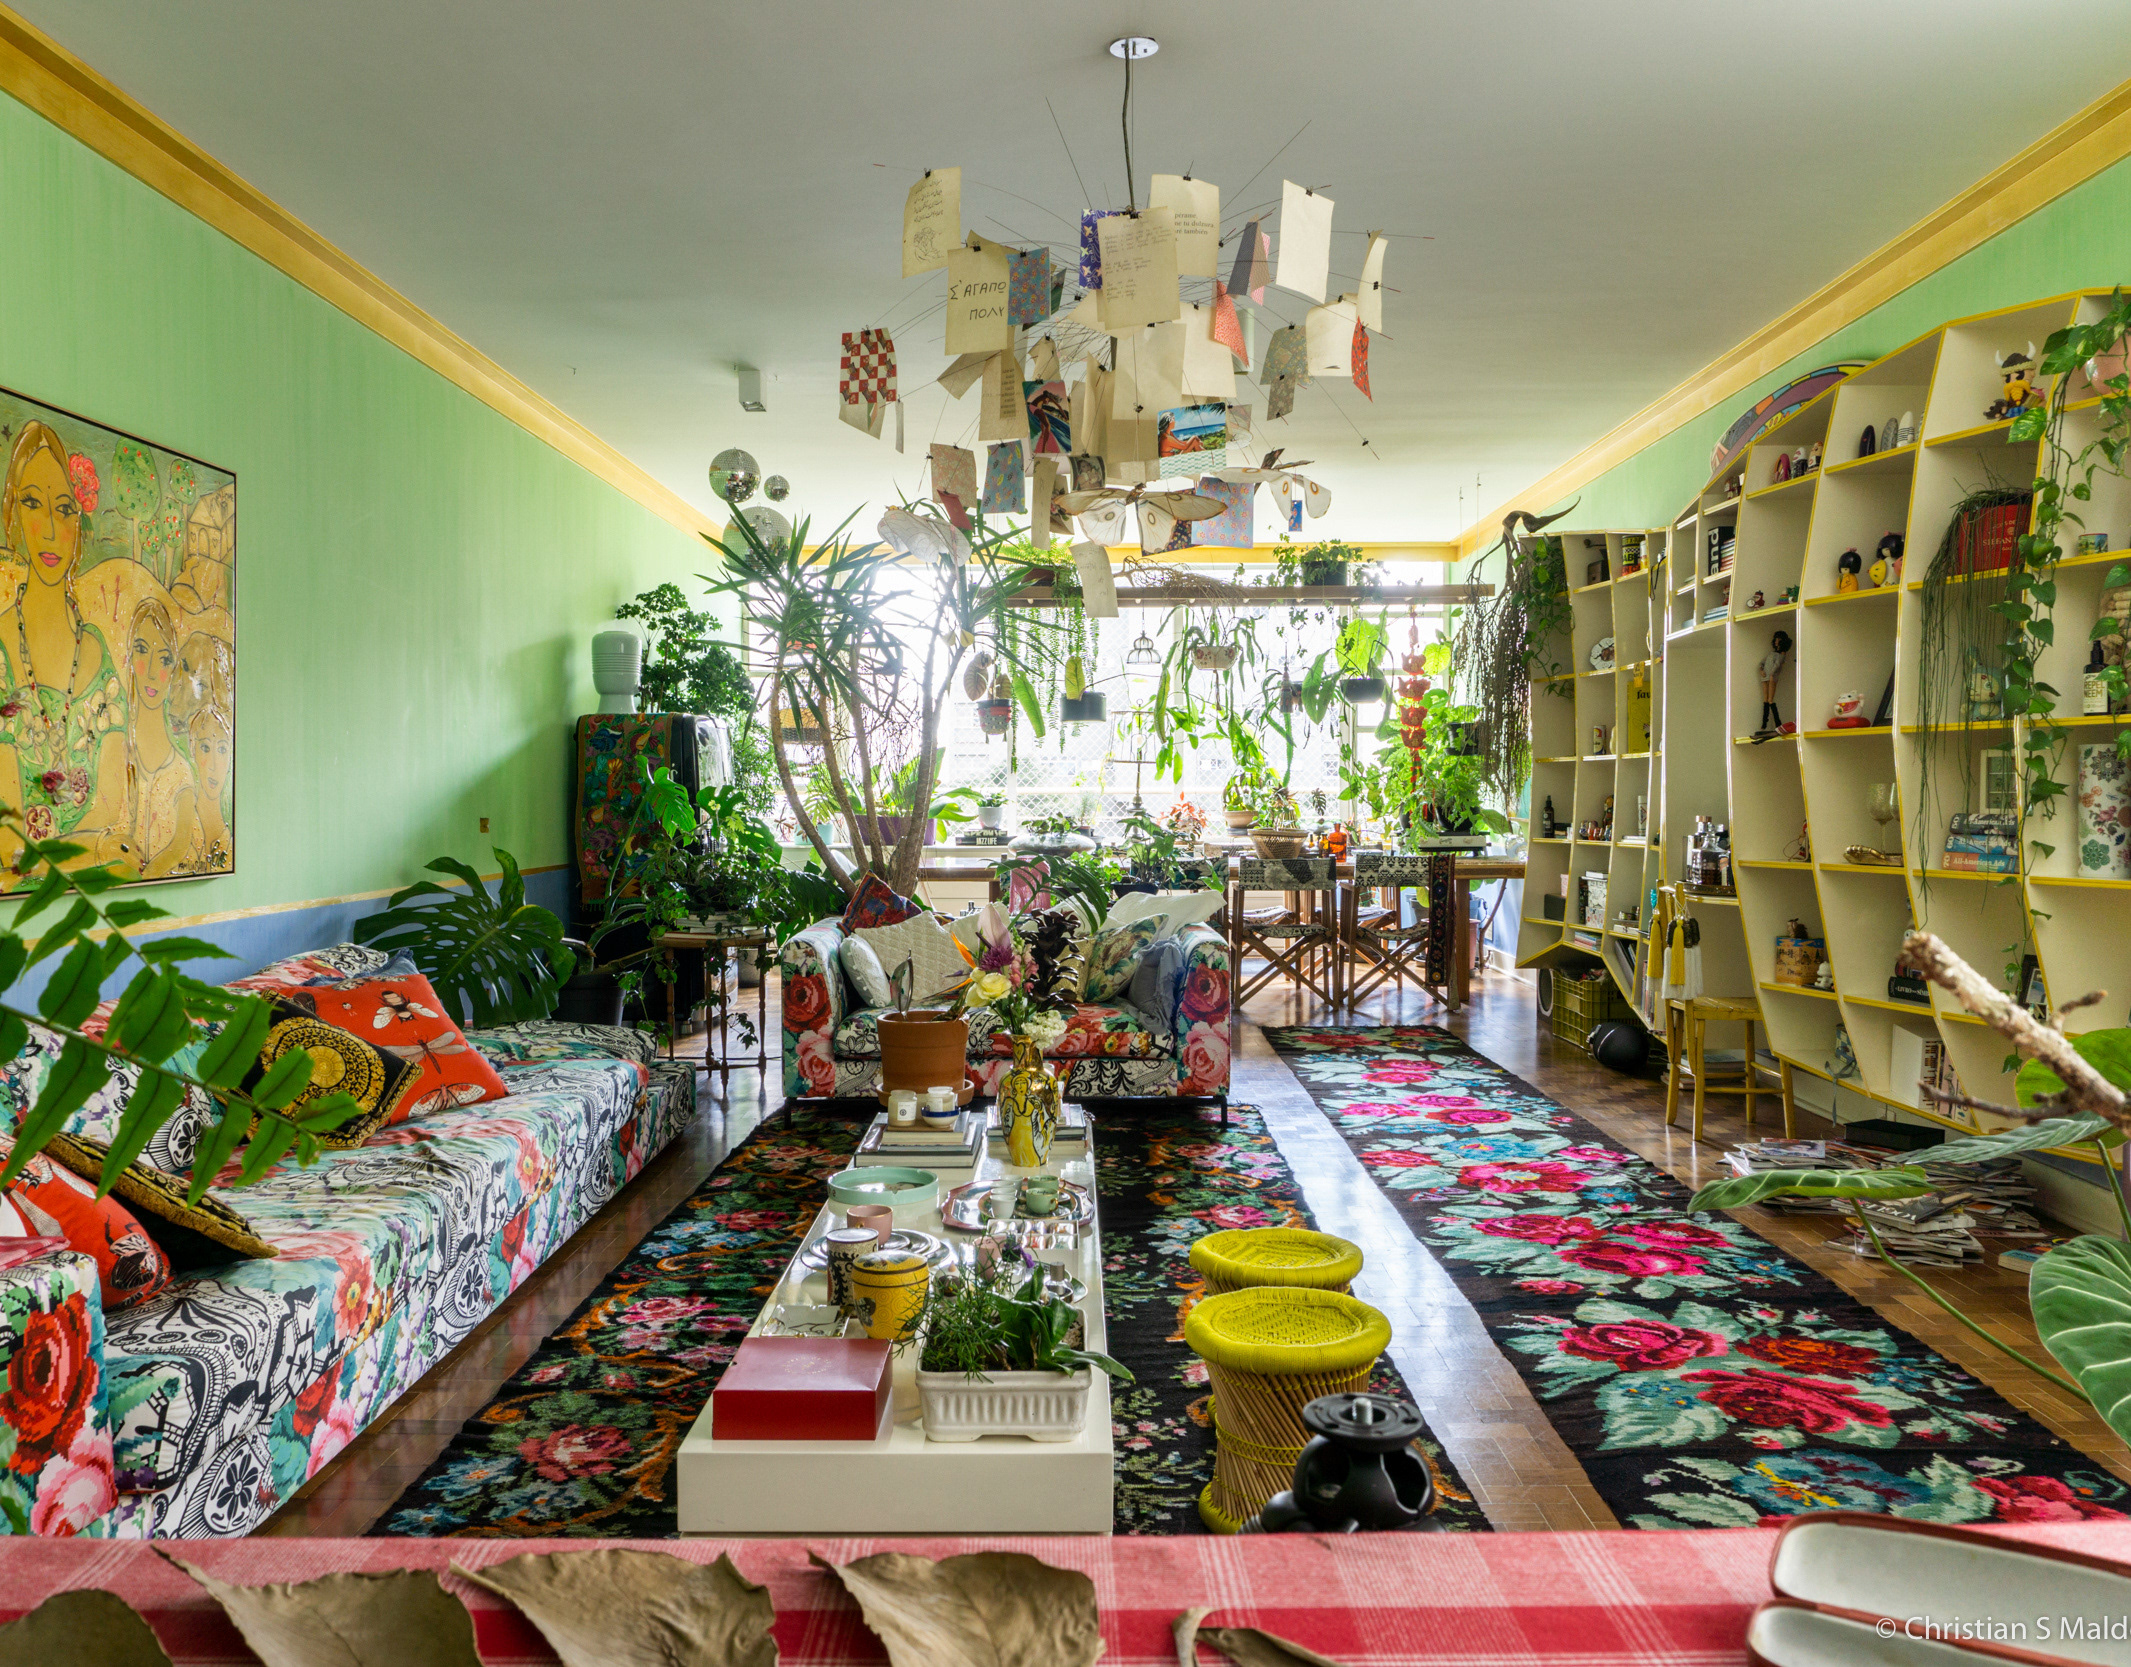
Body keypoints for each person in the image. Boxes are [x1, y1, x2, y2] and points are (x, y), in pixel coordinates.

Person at [0, 422, 131, 873]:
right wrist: (93, 851)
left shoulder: (97, 654)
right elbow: (9, 846)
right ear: (13, 514)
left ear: (80, 522)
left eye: (64, 509)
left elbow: (110, 811)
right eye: (32, 503)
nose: (51, 530)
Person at [121, 597, 200, 878]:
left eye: (165, 659)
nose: (153, 672)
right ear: (130, 657)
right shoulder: (115, 753)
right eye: (142, 651)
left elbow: (179, 848)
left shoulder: (180, 772)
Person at [1758, 630, 1792, 735]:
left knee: (1770, 700)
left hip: (1772, 678)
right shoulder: (1771, 653)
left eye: (1779, 639)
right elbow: (1762, 662)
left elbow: (1777, 665)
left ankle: (1777, 723)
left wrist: (1772, 675)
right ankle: (1764, 723)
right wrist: (1761, 670)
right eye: (1776, 639)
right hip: (1765, 677)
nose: (1776, 641)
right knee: (1765, 699)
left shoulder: (1782, 654)